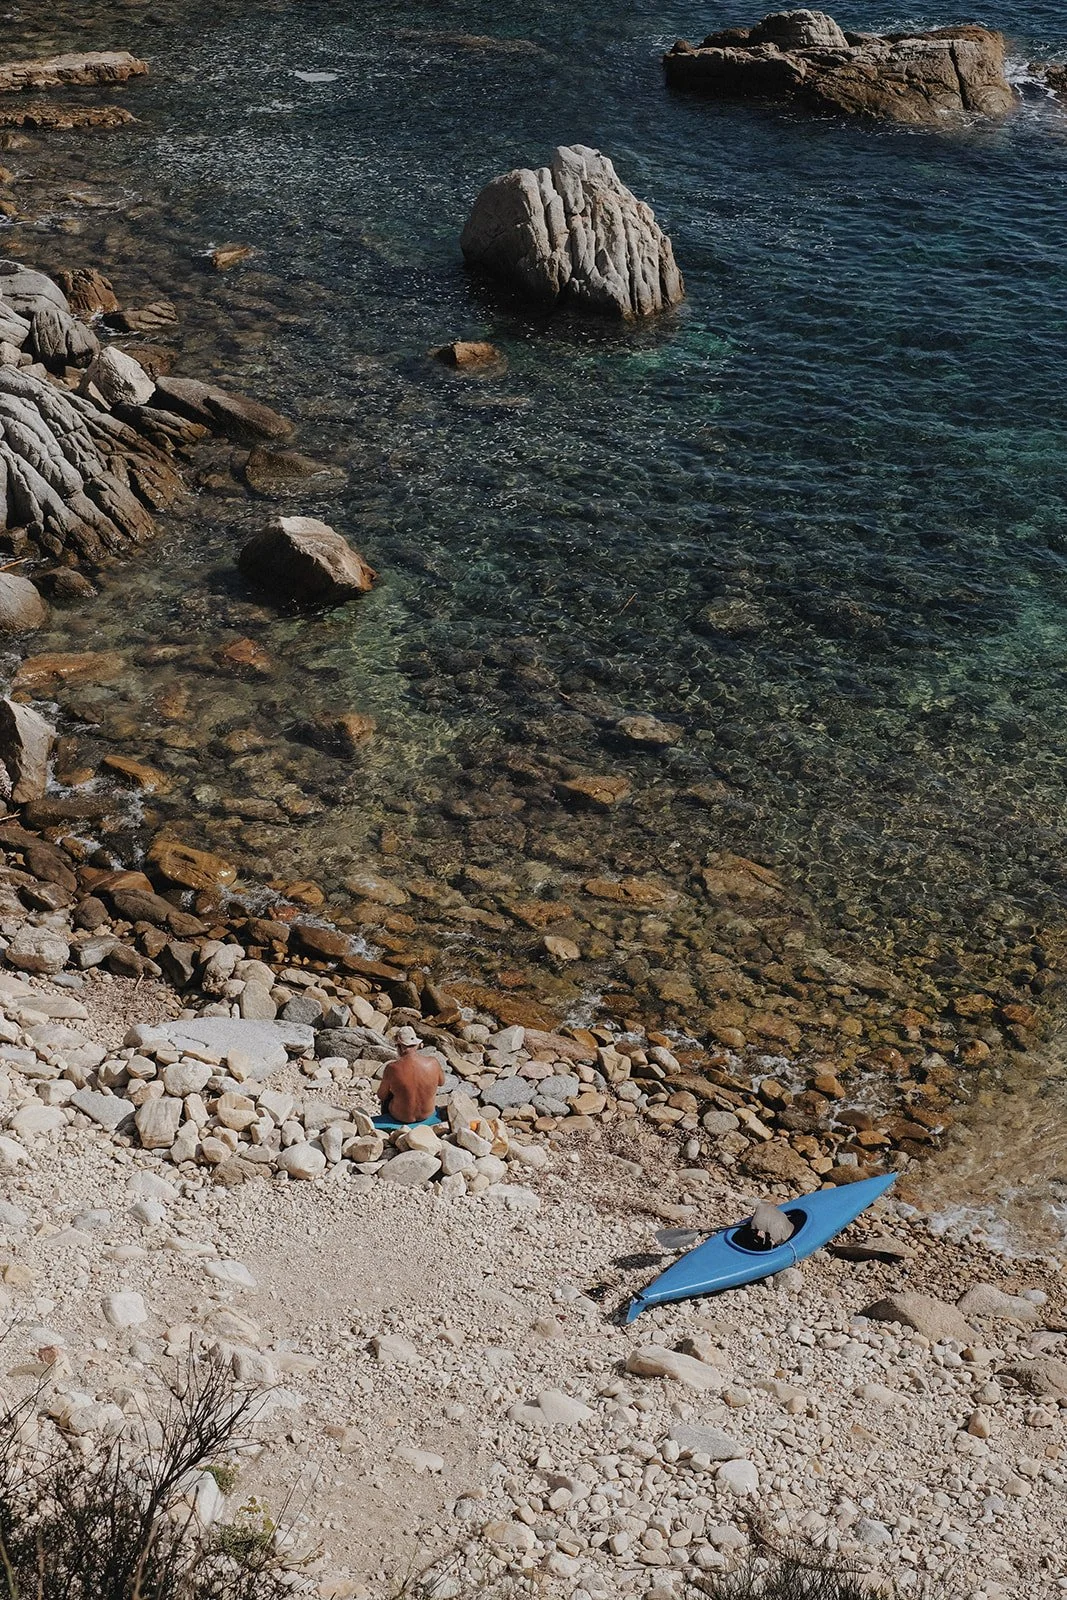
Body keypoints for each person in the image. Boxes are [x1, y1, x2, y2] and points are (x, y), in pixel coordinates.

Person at [377, 1027, 444, 1124]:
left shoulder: (391, 1068)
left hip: (401, 1117)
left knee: (388, 1096)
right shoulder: (433, 1062)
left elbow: (381, 1096)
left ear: (400, 1047)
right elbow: (441, 1082)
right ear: (417, 1045)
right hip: (427, 1115)